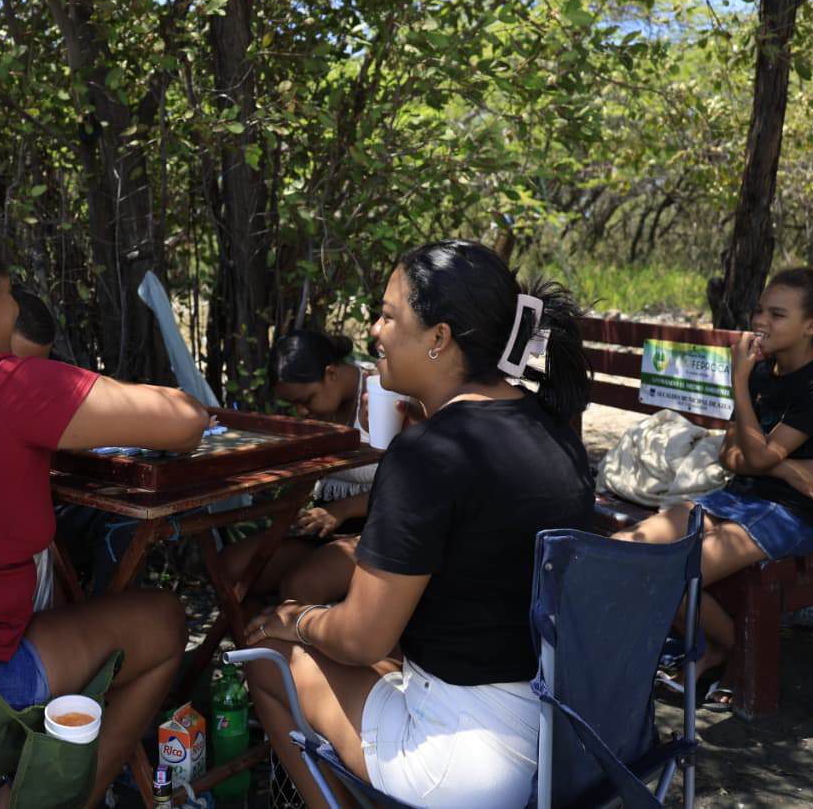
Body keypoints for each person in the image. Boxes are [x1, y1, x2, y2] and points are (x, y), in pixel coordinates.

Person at [0, 206, 207, 807]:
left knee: (79, 604)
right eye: (9, 288)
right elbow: (185, 422)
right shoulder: (5, 383)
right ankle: (53, 800)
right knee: (164, 621)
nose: (17, 304)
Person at [243, 240, 594, 808]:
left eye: (387, 315)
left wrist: (297, 620)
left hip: (460, 764)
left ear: (439, 338)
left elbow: (360, 638)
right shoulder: (554, 430)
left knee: (266, 658)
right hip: (558, 739)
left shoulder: (425, 455)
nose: (374, 332)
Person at [614, 265, 813, 710]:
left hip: (791, 515)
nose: (761, 321)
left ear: (811, 325)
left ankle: (722, 650)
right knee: (623, 550)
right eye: (761, 310)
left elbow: (758, 456)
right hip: (740, 497)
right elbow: (731, 456)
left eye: (777, 314)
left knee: (668, 575)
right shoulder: (766, 373)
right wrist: (787, 468)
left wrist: (739, 384)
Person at [220, 330, 385, 604]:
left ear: (331, 374)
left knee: (301, 586)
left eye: (306, 400)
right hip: (323, 529)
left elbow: (406, 482)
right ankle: (250, 642)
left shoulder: (380, 396)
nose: (301, 412)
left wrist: (341, 510)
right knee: (231, 568)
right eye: (292, 405)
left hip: (375, 528)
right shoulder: (321, 408)